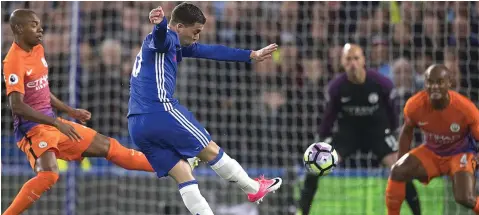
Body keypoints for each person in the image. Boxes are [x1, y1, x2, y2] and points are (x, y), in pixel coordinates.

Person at [127, 3, 281, 215]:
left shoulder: (173, 44)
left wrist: (251, 54)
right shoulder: (167, 38)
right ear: (179, 27)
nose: (198, 36)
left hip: (136, 125)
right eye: (196, 31)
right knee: (210, 149)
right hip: (160, 111)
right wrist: (161, 23)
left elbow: (211, 51)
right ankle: (254, 188)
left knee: (184, 175)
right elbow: (160, 37)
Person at [2, 9, 157, 215]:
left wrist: (70, 111)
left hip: (52, 122)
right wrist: (56, 122)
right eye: (33, 25)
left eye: (39, 23)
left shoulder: (37, 49)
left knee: (110, 147)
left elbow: (41, 90)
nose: (40, 28)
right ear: (19, 29)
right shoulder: (13, 61)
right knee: (49, 175)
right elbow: (17, 106)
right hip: (33, 130)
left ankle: (168, 165)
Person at [298, 44, 421, 215]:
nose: (353, 63)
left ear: (363, 60)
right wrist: (321, 139)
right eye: (348, 59)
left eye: (356, 58)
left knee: (400, 169)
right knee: (315, 167)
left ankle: (418, 213)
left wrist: (394, 133)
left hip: (377, 132)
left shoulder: (381, 83)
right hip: (348, 134)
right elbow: (329, 117)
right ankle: (302, 211)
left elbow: (393, 113)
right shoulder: (336, 87)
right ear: (342, 62)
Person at [386, 64, 479, 215]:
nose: (434, 86)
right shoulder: (415, 105)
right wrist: (400, 158)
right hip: (432, 152)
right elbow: (407, 131)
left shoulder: (466, 109)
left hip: (460, 154)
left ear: (449, 83)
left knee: (465, 198)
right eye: (430, 82)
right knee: (397, 171)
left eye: (440, 82)